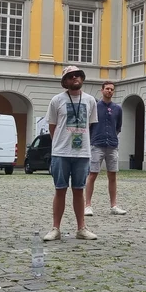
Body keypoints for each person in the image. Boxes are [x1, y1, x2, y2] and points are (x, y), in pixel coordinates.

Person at [44, 66, 98, 242]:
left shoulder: (90, 100)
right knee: (60, 190)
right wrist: (60, 143)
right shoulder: (56, 100)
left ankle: (81, 228)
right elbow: (52, 126)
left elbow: (89, 125)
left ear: (82, 78)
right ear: (65, 82)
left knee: (78, 190)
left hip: (82, 153)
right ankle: (55, 228)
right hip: (61, 152)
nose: (74, 78)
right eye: (70, 76)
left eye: (77, 75)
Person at [85, 81, 127, 217]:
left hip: (112, 145)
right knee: (92, 175)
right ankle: (88, 205)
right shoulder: (95, 107)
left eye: (112, 89)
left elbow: (118, 127)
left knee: (112, 175)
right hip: (97, 144)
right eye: (107, 89)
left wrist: (112, 137)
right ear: (101, 90)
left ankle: (114, 205)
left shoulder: (117, 109)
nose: (109, 91)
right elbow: (89, 126)